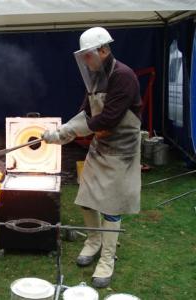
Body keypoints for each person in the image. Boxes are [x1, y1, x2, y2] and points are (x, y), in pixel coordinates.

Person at [42, 27, 141, 288]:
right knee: (86, 198)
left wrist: (69, 132)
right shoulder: (96, 76)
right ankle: (93, 241)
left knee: (111, 205)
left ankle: (107, 259)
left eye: (89, 55)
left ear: (104, 50)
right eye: (83, 55)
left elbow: (108, 119)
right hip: (101, 145)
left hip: (122, 149)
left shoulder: (124, 77)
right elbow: (86, 112)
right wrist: (61, 132)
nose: (86, 60)